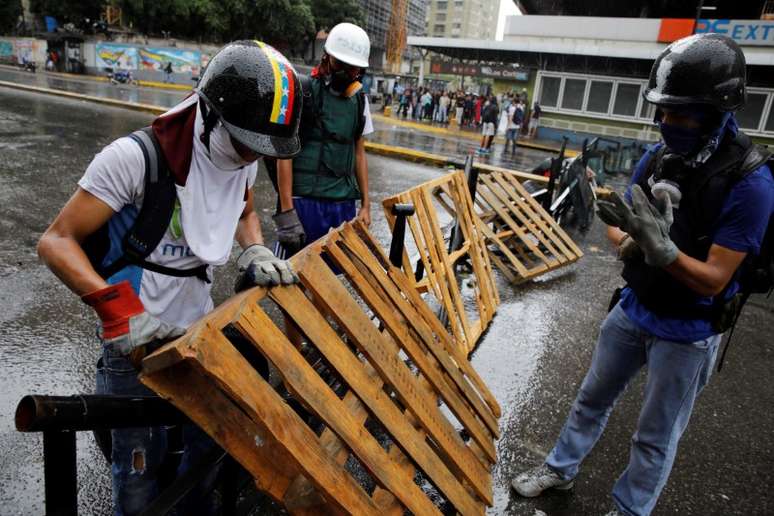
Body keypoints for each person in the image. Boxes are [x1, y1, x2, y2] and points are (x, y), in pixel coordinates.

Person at [511, 34, 774, 516]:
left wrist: (665, 252)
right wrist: (634, 240)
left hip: (689, 329)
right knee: (590, 398)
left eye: (681, 113)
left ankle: (630, 509)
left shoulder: (750, 182)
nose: (666, 123)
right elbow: (619, 225)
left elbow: (715, 277)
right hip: (634, 311)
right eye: (663, 111)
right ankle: (559, 468)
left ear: (716, 109)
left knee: (654, 436)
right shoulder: (658, 158)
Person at [37, 40, 301, 516]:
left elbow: (243, 210)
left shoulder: (239, 158)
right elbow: (56, 241)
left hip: (197, 339)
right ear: (213, 115)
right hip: (135, 347)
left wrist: (254, 248)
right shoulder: (135, 158)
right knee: (137, 478)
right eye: (246, 145)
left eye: (260, 150)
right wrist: (118, 312)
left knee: (204, 458)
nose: (250, 159)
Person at [273, 21, 373, 272]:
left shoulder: (360, 101)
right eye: (341, 64)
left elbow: (359, 154)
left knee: (327, 281)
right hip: (303, 203)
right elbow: (284, 154)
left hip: (341, 206)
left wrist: (366, 205)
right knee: (290, 280)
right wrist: (287, 212)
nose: (345, 73)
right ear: (326, 58)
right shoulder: (302, 92)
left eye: (353, 69)